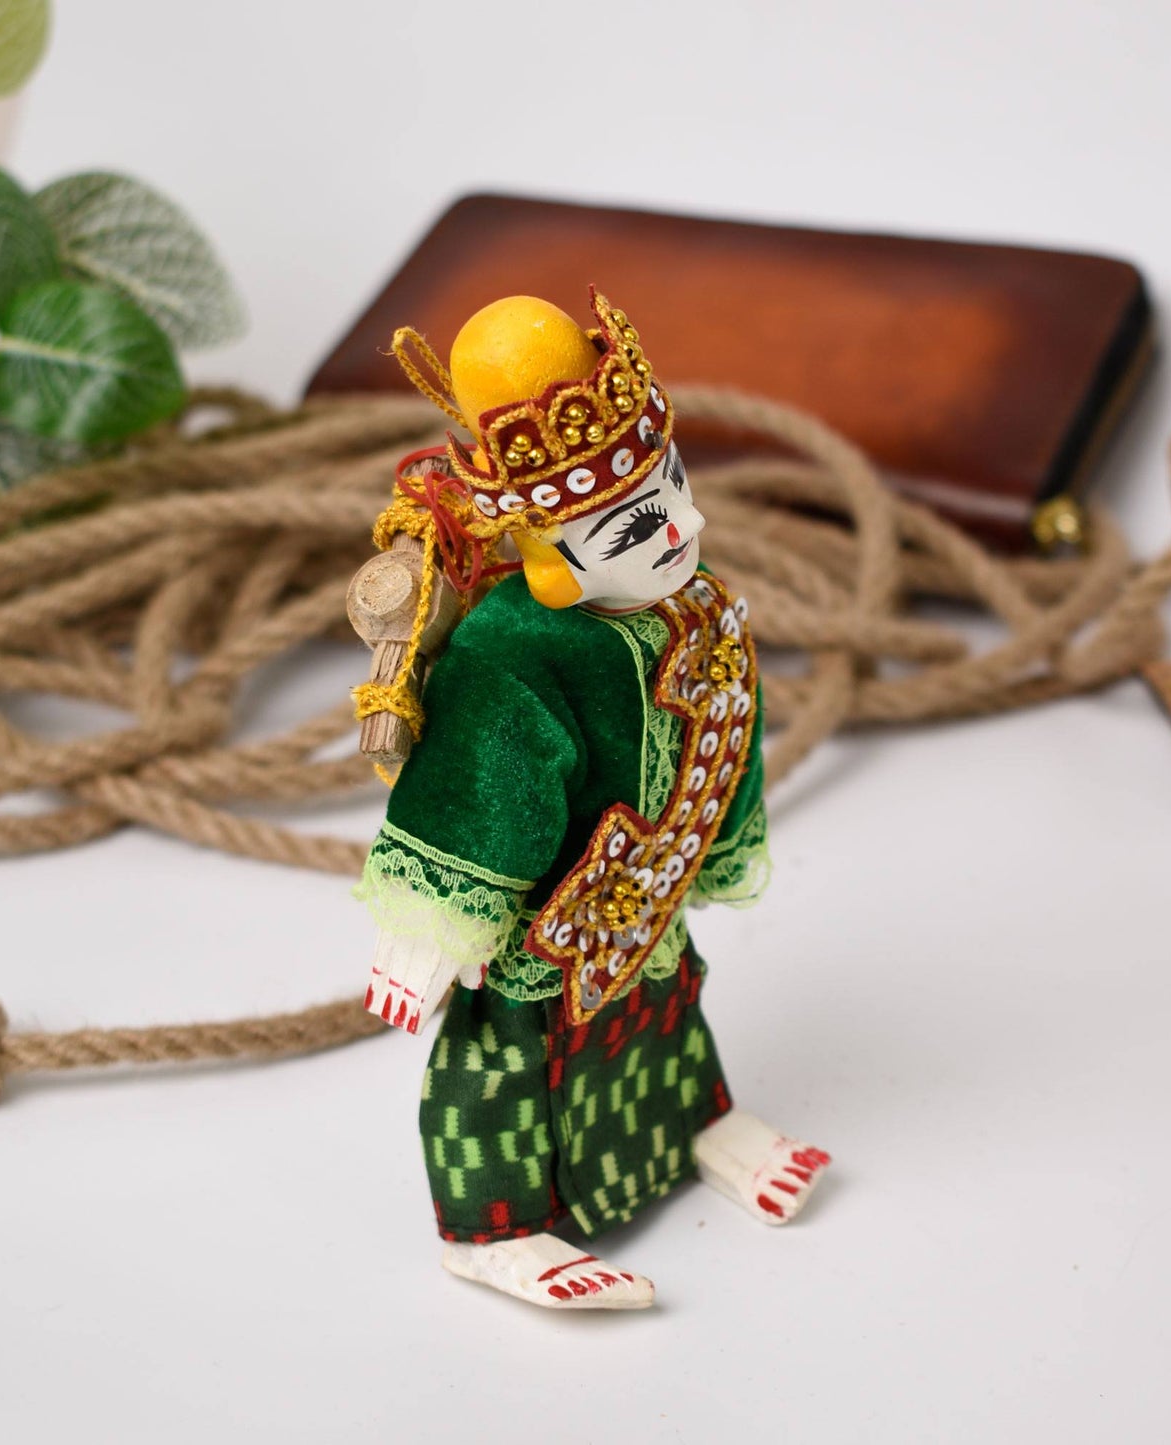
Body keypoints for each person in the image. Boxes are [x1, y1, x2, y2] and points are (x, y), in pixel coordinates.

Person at [353, 289, 828, 1310]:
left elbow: (726, 719)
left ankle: (695, 1120)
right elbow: (479, 775)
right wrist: (431, 917)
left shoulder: (689, 601)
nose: (688, 523)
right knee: (506, 1055)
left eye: (677, 481)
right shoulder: (513, 649)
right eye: (643, 521)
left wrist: (721, 841)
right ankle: (492, 1228)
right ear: (553, 556)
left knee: (666, 1000)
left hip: (645, 888)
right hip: (544, 914)